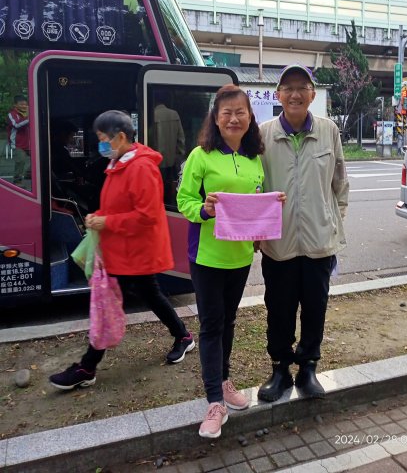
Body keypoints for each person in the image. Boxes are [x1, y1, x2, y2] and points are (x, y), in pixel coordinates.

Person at [49, 110, 195, 391]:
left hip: (133, 252)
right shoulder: (119, 162)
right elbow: (118, 205)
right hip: (124, 250)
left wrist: (106, 221)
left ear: (121, 137)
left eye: (103, 139)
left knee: (108, 304)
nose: (100, 145)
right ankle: (183, 336)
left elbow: (147, 216)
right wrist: (99, 217)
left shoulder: (140, 167)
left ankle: (86, 367)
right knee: (150, 296)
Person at [177, 85, 266, 439]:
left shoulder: (254, 159)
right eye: (226, 112)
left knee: (228, 321)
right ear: (216, 118)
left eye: (240, 112)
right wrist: (203, 209)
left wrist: (271, 211)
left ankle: (225, 380)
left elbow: (256, 205)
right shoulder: (201, 155)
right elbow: (183, 200)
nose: (233, 118)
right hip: (207, 256)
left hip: (241, 257)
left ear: (249, 118)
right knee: (212, 325)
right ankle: (215, 401)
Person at [257, 63, 349, 403]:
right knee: (278, 308)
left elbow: (341, 183)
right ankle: (280, 368)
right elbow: (256, 186)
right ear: (278, 95)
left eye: (302, 87)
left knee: (315, 307)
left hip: (319, 244)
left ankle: (308, 366)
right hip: (277, 244)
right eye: (288, 87)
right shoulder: (263, 134)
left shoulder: (328, 131)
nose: (295, 94)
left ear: (312, 94)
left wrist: (333, 219)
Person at [152, 90, 185, 203]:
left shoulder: (151, 115)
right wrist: (178, 157)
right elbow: (181, 139)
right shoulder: (174, 114)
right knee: (169, 189)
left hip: (156, 163)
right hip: (171, 162)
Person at [7, 95, 30, 187]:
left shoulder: (29, 113)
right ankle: (17, 182)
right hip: (18, 144)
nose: (24, 106)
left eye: (25, 104)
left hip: (31, 143)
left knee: (43, 157)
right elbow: (16, 125)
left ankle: (29, 173)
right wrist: (29, 119)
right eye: (21, 104)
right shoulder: (11, 114)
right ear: (15, 105)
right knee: (20, 161)